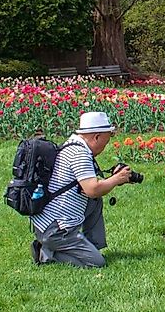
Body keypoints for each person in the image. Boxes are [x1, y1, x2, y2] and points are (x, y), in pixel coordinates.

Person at [31, 111, 135, 267]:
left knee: (94, 201)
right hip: (56, 230)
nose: (104, 147)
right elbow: (92, 189)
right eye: (105, 142)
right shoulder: (80, 153)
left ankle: (90, 246)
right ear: (96, 137)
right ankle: (45, 255)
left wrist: (111, 180)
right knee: (97, 263)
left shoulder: (73, 145)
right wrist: (117, 179)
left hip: (47, 223)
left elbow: (88, 191)